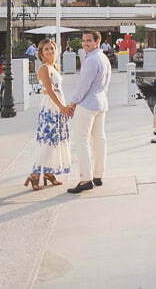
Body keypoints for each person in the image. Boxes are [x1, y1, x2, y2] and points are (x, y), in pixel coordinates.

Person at [66, 31, 111, 194]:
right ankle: (98, 175)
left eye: (89, 41)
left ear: (97, 41)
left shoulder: (91, 60)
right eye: (84, 41)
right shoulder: (104, 58)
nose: (85, 44)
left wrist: (72, 103)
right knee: (99, 140)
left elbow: (82, 86)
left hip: (87, 105)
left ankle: (86, 179)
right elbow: (106, 84)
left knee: (81, 140)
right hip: (101, 103)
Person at [24, 39, 73, 190]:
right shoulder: (44, 68)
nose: (50, 51)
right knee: (48, 142)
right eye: (46, 49)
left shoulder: (54, 67)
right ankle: (35, 174)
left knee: (56, 141)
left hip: (57, 105)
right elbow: (50, 91)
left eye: (52, 48)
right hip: (51, 108)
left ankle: (48, 172)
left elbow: (53, 89)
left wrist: (65, 106)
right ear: (41, 53)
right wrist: (61, 107)